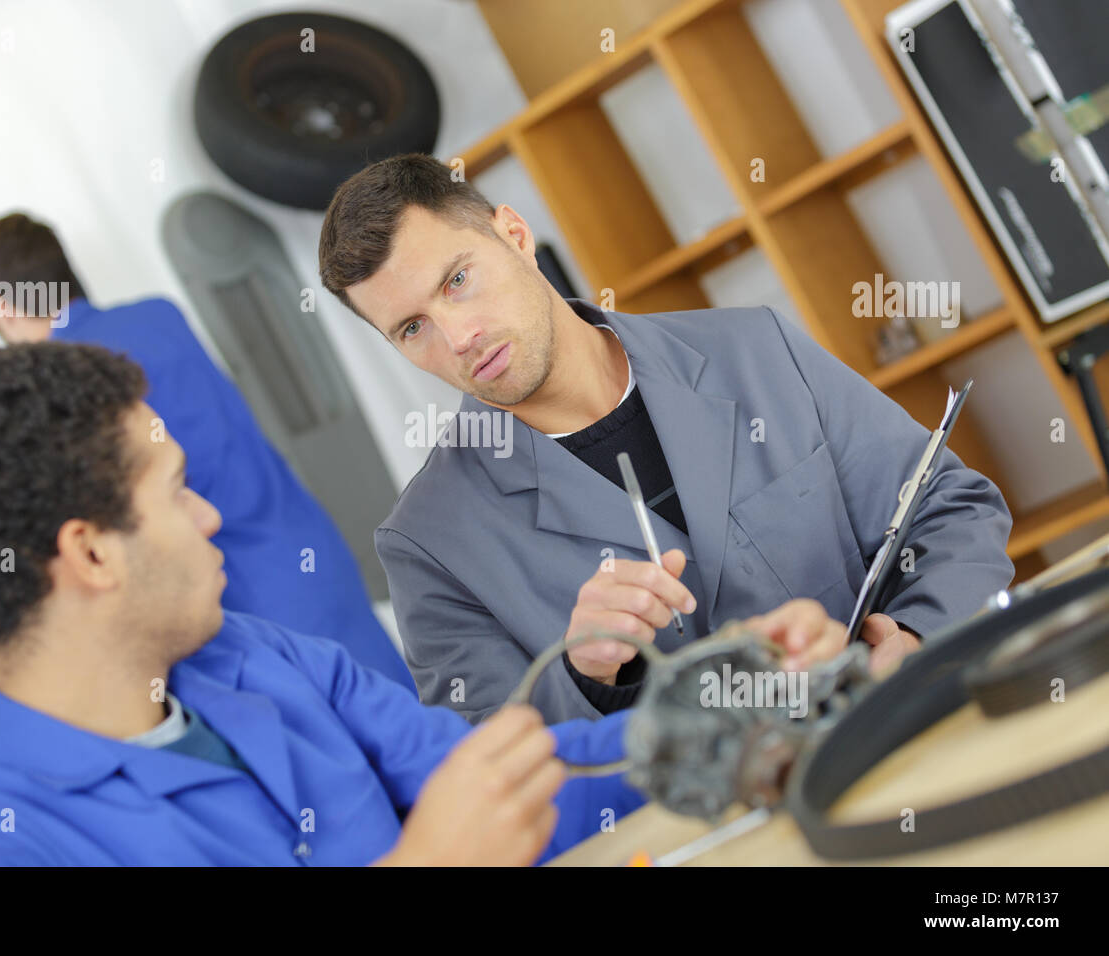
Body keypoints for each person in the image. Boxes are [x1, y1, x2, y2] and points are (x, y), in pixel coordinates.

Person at [0, 343, 646, 866]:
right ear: (91, 553)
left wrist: (721, 709)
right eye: (178, 490)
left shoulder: (255, 656)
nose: (210, 517)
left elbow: (504, 786)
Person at [317, 153, 1015, 725]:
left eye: (458, 280)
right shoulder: (429, 544)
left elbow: (949, 511)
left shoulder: (754, 349)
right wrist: (584, 674)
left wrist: (918, 636)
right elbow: (489, 764)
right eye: (411, 328)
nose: (458, 336)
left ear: (515, 235)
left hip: (912, 732)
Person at [0, 212, 412, 690]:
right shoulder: (159, 315)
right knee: (404, 720)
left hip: (236, 595)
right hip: (306, 549)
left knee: (330, 749)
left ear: (1, 306)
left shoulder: (61, 379)